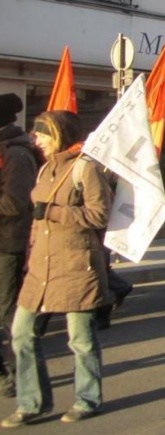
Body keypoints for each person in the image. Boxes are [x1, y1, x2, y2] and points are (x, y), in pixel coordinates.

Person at [3, 111, 111, 427]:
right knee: (21, 333)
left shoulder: (84, 168)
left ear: (58, 135)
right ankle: (32, 402)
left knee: (81, 339)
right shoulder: (45, 169)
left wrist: (55, 211)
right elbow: (37, 222)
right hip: (41, 268)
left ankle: (88, 399)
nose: (35, 139)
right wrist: (29, 257)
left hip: (76, 265)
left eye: (41, 134)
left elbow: (99, 216)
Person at [0, 94, 40, 398]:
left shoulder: (16, 154)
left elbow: (15, 202)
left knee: (8, 313)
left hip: (8, 244)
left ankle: (20, 375)